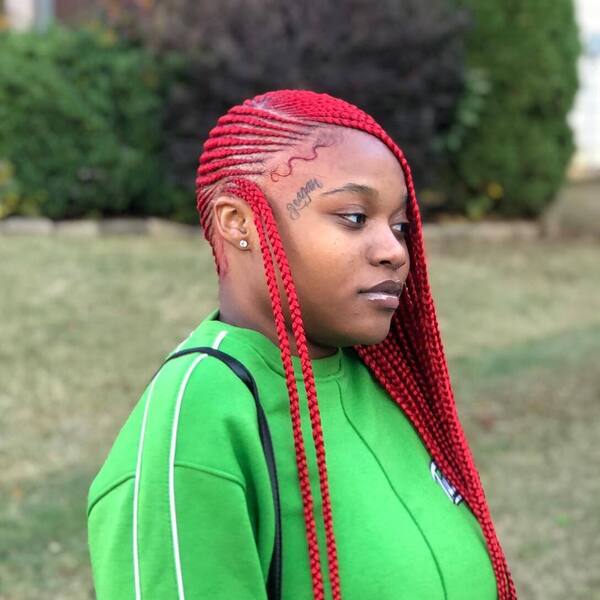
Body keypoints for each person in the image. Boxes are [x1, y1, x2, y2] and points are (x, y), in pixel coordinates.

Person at [87, 89, 516, 599]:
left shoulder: (385, 380)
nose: (393, 251)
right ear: (237, 222)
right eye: (354, 218)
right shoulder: (197, 421)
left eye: (399, 226)